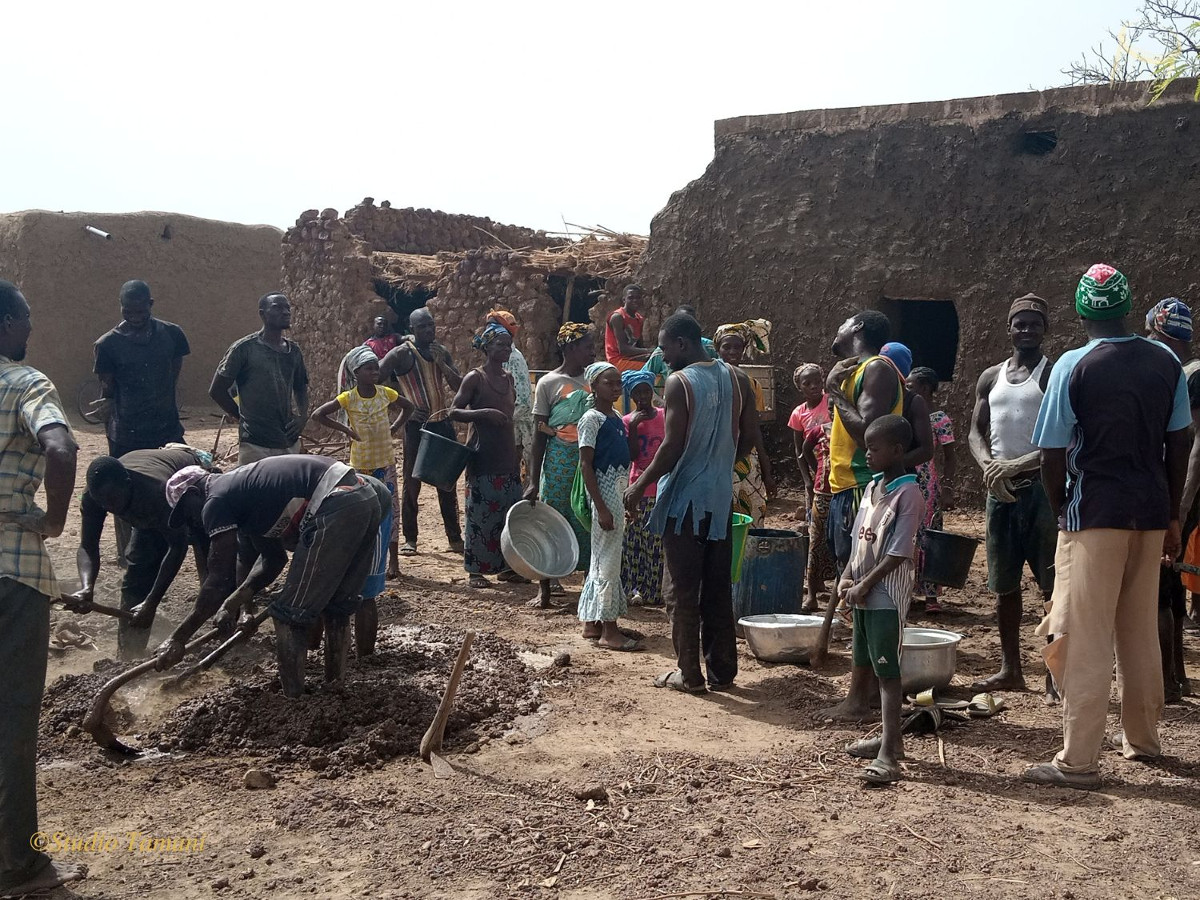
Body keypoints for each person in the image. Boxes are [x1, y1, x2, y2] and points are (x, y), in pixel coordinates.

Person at [1023, 264, 1191, 789]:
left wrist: (1061, 512)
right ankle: (1143, 740)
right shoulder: (1165, 361)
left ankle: (1078, 761)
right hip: (1150, 511)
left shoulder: (1073, 364)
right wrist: (1172, 514)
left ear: (1080, 311)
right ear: (1127, 306)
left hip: (1094, 513)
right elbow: (1180, 443)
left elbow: (1052, 455)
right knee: (1138, 629)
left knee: (1085, 634)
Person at [160, 455, 391, 697]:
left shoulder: (215, 500)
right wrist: (233, 603)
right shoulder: (245, 494)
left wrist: (178, 639)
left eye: (187, 513)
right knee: (336, 607)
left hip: (338, 500)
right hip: (364, 497)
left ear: (194, 493)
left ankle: (293, 702)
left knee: (288, 617)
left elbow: (219, 580)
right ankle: (335, 689)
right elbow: (273, 560)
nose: (192, 521)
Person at [0, 280, 86, 897]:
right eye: (25, 319)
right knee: (11, 718)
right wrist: (53, 523)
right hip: (12, 572)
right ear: (6, 322)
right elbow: (60, 446)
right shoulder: (23, 381)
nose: (30, 330)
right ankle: (19, 865)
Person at [624, 313, 757, 693]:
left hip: (683, 503)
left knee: (681, 590)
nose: (663, 357)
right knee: (717, 587)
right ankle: (722, 672)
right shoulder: (739, 379)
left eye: (664, 349)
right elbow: (749, 437)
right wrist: (718, 465)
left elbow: (672, 447)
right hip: (719, 499)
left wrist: (638, 487)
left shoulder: (679, 382)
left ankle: (689, 674)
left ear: (682, 343)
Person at [817, 311, 907, 720]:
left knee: (863, 589)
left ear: (856, 329)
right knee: (854, 586)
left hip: (862, 489)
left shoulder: (876, 370)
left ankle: (861, 697)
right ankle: (864, 694)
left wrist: (833, 393)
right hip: (847, 487)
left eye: (843, 322)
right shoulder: (859, 373)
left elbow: (868, 431)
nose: (836, 328)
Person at [968, 293, 1058, 699]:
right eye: (1020, 323)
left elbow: (1065, 439)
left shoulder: (1052, 375)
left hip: (1042, 490)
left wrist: (1018, 464)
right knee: (1004, 585)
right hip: (1000, 492)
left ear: (1045, 329)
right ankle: (1010, 669)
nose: (1027, 330)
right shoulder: (991, 377)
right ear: (1009, 328)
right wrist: (989, 464)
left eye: (1034, 324)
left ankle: (1056, 673)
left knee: (1052, 586)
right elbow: (976, 432)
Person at [69, 447, 213, 659]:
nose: (109, 508)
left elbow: (177, 547)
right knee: (138, 574)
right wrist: (86, 587)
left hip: (190, 488)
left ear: (127, 484)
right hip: (148, 511)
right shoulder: (95, 496)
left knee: (211, 565)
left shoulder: (156, 490)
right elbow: (88, 546)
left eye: (113, 500)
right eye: (103, 503)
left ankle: (217, 625)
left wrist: (151, 603)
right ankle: (129, 654)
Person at [841, 415, 923, 785]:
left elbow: (899, 552)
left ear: (897, 450)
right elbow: (860, 539)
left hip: (885, 596)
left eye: (874, 449)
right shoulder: (873, 486)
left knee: (888, 674)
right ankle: (892, 741)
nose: (867, 455)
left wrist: (865, 584)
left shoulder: (909, 495)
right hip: (862, 593)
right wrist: (848, 576)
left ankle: (889, 755)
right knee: (869, 664)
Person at [93, 279, 190, 566]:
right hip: (127, 432)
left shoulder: (172, 334)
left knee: (177, 486)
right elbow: (109, 389)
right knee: (124, 493)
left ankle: (171, 544)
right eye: (128, 311)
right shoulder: (107, 345)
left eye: (140, 311)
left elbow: (173, 372)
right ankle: (128, 555)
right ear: (120, 307)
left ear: (151, 304)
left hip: (166, 429)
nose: (135, 317)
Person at [312, 346, 411, 580]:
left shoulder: (385, 393)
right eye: (369, 369)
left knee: (391, 511)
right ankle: (362, 562)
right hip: (361, 465)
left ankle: (393, 562)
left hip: (385, 463)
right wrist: (346, 429)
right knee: (362, 512)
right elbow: (318, 415)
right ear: (356, 373)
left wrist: (394, 427)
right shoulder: (349, 398)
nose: (375, 372)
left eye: (376, 368)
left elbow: (409, 407)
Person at [1143, 297, 1197, 701]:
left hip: (1172, 496)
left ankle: (1166, 681)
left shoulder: (1183, 375)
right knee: (1173, 586)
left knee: (1161, 589)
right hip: (1176, 495)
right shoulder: (1179, 372)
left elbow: (1192, 447)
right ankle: (1176, 674)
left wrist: (1176, 511)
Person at [378, 307, 464, 555]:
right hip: (417, 427)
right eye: (422, 326)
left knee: (446, 481)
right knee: (412, 481)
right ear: (412, 329)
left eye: (431, 325)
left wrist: (442, 365)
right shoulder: (401, 353)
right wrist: (402, 407)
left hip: (442, 422)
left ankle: (454, 537)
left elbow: (458, 386)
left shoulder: (440, 352)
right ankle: (411, 538)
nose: (428, 330)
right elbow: (375, 380)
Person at [448, 323, 524, 588]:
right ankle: (476, 570)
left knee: (507, 514)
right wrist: (484, 414)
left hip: (506, 454)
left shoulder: (508, 378)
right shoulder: (475, 378)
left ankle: (507, 567)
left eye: (508, 345)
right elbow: (454, 411)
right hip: (482, 456)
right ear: (487, 347)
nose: (506, 349)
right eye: (500, 344)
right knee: (480, 515)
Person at [526, 323, 595, 607]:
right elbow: (539, 434)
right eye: (587, 347)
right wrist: (533, 480)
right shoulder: (548, 383)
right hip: (557, 461)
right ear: (570, 348)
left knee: (588, 519)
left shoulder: (595, 378)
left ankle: (589, 590)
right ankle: (545, 589)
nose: (593, 352)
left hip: (588, 461)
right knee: (552, 519)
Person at [577, 362, 637, 649]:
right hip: (604, 494)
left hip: (616, 492)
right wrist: (601, 507)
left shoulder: (615, 417)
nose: (615, 388)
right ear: (593, 386)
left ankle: (592, 623)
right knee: (609, 562)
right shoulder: (591, 419)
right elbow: (586, 464)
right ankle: (609, 632)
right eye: (608, 383)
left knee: (601, 558)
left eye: (618, 383)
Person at [210, 292, 310, 465]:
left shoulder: (293, 351)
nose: (285, 312)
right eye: (277, 308)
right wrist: (242, 417)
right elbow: (216, 390)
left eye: (287, 308)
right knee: (255, 483)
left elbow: (300, 387)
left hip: (288, 441)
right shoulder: (244, 349)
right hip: (255, 444)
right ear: (262, 314)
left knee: (288, 483)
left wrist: (302, 417)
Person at [905, 367, 958, 614]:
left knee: (929, 536)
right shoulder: (905, 416)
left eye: (910, 386)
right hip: (906, 480)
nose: (906, 390)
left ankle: (931, 595)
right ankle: (905, 589)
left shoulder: (939, 419)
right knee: (906, 534)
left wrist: (947, 489)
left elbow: (950, 457)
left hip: (928, 485)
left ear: (925, 389)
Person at [714, 319, 776, 524]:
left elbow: (754, 430)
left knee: (753, 515)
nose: (732, 351)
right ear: (718, 350)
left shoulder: (752, 385)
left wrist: (766, 471)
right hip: (718, 458)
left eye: (737, 347)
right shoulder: (709, 381)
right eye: (727, 347)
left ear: (744, 350)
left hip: (748, 459)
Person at [790, 364, 834, 612]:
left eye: (817, 381)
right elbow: (801, 450)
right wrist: (808, 478)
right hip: (819, 480)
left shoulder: (831, 403)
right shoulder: (799, 414)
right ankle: (814, 587)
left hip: (838, 476)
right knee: (815, 531)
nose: (814, 386)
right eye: (807, 383)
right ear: (800, 387)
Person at [621, 369, 665, 607]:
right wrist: (635, 427)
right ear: (631, 395)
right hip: (638, 486)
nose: (643, 397)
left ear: (652, 391)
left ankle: (654, 591)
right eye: (637, 393)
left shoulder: (664, 416)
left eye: (646, 391)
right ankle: (634, 589)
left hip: (662, 487)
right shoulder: (627, 421)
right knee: (634, 542)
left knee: (656, 543)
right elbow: (632, 456)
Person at [485, 308, 535, 475]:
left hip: (516, 428)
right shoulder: (499, 360)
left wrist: (501, 423)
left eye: (493, 326)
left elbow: (523, 401)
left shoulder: (513, 359)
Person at [642, 304, 717, 387]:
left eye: (687, 324)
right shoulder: (660, 353)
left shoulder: (711, 348)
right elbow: (640, 379)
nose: (663, 357)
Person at [605, 284, 651, 372]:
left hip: (631, 358)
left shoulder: (639, 319)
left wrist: (650, 354)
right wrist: (649, 351)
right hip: (617, 361)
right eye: (631, 298)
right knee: (654, 368)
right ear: (624, 300)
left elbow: (639, 346)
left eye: (638, 297)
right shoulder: (618, 317)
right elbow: (623, 350)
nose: (635, 300)